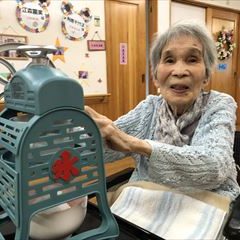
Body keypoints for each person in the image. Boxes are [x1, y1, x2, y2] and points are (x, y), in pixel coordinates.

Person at [85, 21, 240, 201]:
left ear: (206, 75)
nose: (180, 71)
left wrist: (138, 145)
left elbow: (215, 167)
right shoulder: (149, 109)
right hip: (149, 203)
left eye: (192, 59)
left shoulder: (219, 104)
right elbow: (104, 151)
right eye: (169, 60)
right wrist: (79, 136)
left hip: (207, 206)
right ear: (156, 77)